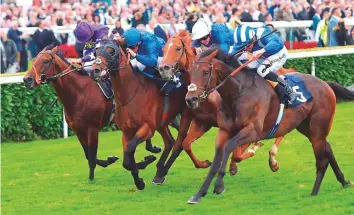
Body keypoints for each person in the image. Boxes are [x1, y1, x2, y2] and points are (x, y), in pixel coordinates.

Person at [231, 24, 297, 107]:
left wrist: (263, 50)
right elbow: (232, 55)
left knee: (262, 70)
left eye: (247, 45)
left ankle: (288, 89)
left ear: (253, 39)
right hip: (264, 56)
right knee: (248, 66)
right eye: (242, 47)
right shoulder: (242, 40)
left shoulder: (262, 32)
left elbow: (277, 43)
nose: (245, 48)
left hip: (278, 53)